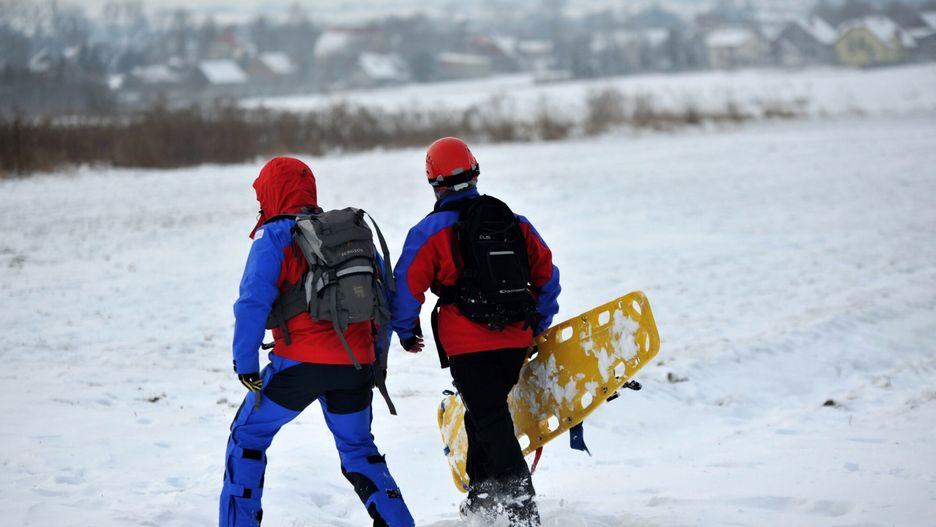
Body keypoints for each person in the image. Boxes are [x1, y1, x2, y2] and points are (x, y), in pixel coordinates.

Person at [219, 157, 415, 527]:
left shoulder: (274, 236)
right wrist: (375, 359)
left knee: (247, 436)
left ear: (272, 193)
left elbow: (252, 302)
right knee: (358, 450)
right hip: (355, 365)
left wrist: (245, 363)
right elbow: (383, 300)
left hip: (299, 366)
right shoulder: (346, 235)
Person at [390, 137, 561, 526]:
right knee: (482, 414)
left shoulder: (429, 231)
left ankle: (521, 510)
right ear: (476, 172)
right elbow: (547, 276)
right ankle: (483, 498)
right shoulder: (514, 222)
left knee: (490, 420)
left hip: (467, 346)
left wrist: (405, 330)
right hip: (516, 339)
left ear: (434, 182)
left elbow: (406, 287)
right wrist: (538, 323)